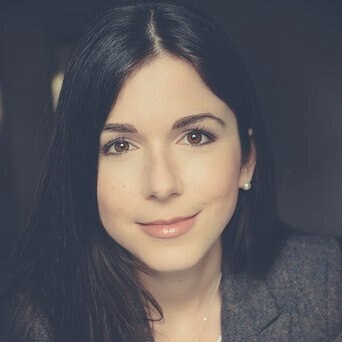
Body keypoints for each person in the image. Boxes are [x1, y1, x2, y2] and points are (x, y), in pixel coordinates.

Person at [0, 0, 340, 341]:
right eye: (120, 145)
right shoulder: (38, 325)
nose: (161, 185)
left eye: (195, 136)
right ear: (80, 171)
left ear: (247, 159)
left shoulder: (324, 281)